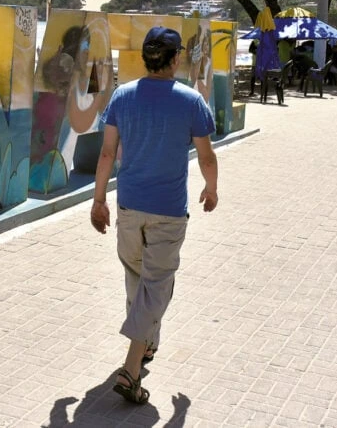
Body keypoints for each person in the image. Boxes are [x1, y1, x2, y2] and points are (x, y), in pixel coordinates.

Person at [91, 26, 219, 405]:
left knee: (139, 280)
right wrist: (211, 188)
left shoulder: (123, 95)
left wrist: (98, 200)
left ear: (147, 58)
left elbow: (107, 153)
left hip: (129, 207)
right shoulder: (191, 100)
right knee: (157, 284)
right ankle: (131, 368)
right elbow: (207, 156)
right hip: (168, 211)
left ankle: (146, 343)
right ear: (176, 59)